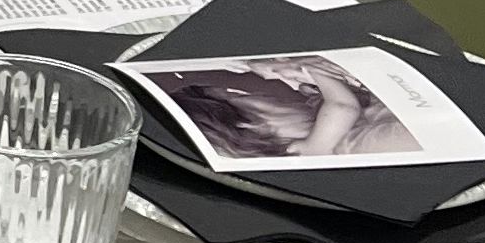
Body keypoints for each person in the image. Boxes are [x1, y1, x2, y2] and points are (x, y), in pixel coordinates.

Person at [145, 55, 414, 164]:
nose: (263, 93)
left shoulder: (314, 107)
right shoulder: (313, 149)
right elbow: (343, 107)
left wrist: (285, 67)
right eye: (243, 97)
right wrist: (313, 69)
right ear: (247, 123)